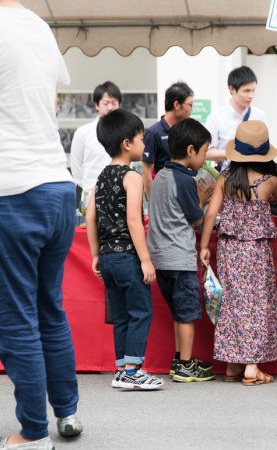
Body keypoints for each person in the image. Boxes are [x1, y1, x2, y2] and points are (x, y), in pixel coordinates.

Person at [0, 0, 83, 446]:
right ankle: (66, 413)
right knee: (49, 307)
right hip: (55, 182)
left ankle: (33, 433)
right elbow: (48, 98)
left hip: (12, 188)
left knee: (16, 316)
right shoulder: (39, 26)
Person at [199, 120, 277, 385]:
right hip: (257, 250)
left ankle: (231, 365)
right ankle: (252, 366)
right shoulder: (270, 181)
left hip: (228, 249)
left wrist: (205, 247)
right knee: (257, 304)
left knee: (232, 304)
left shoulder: (225, 179)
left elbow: (211, 214)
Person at [86, 109, 163, 390]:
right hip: (127, 256)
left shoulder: (100, 178)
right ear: (127, 144)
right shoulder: (132, 177)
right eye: (142, 139)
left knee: (119, 315)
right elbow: (134, 219)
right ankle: (132, 371)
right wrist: (146, 260)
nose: (144, 145)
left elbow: (90, 217)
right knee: (141, 311)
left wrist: (96, 254)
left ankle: (121, 369)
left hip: (107, 257)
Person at [147, 118, 216, 383]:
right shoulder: (186, 180)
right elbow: (196, 217)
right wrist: (206, 198)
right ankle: (185, 365)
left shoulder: (161, 175)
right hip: (180, 257)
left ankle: (180, 358)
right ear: (190, 150)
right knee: (187, 313)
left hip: (160, 257)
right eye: (204, 151)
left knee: (178, 312)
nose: (205, 157)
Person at [70, 81, 122, 202]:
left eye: (114, 103)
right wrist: (90, 188)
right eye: (106, 103)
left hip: (119, 197)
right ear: (97, 105)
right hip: (91, 195)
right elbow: (76, 167)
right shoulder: (83, 132)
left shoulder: (126, 132)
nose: (110, 107)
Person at [205, 66, 268, 164]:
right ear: (232, 89)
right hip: (228, 175)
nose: (251, 96)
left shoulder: (259, 115)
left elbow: (269, 147)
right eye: (246, 91)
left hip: (255, 175)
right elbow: (206, 152)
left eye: (253, 90)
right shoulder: (216, 118)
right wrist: (232, 153)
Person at [142, 82, 194, 196]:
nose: (192, 109)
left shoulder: (185, 131)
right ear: (177, 105)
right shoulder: (154, 133)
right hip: (163, 196)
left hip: (183, 194)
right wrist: (153, 202)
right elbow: (147, 171)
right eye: (190, 105)